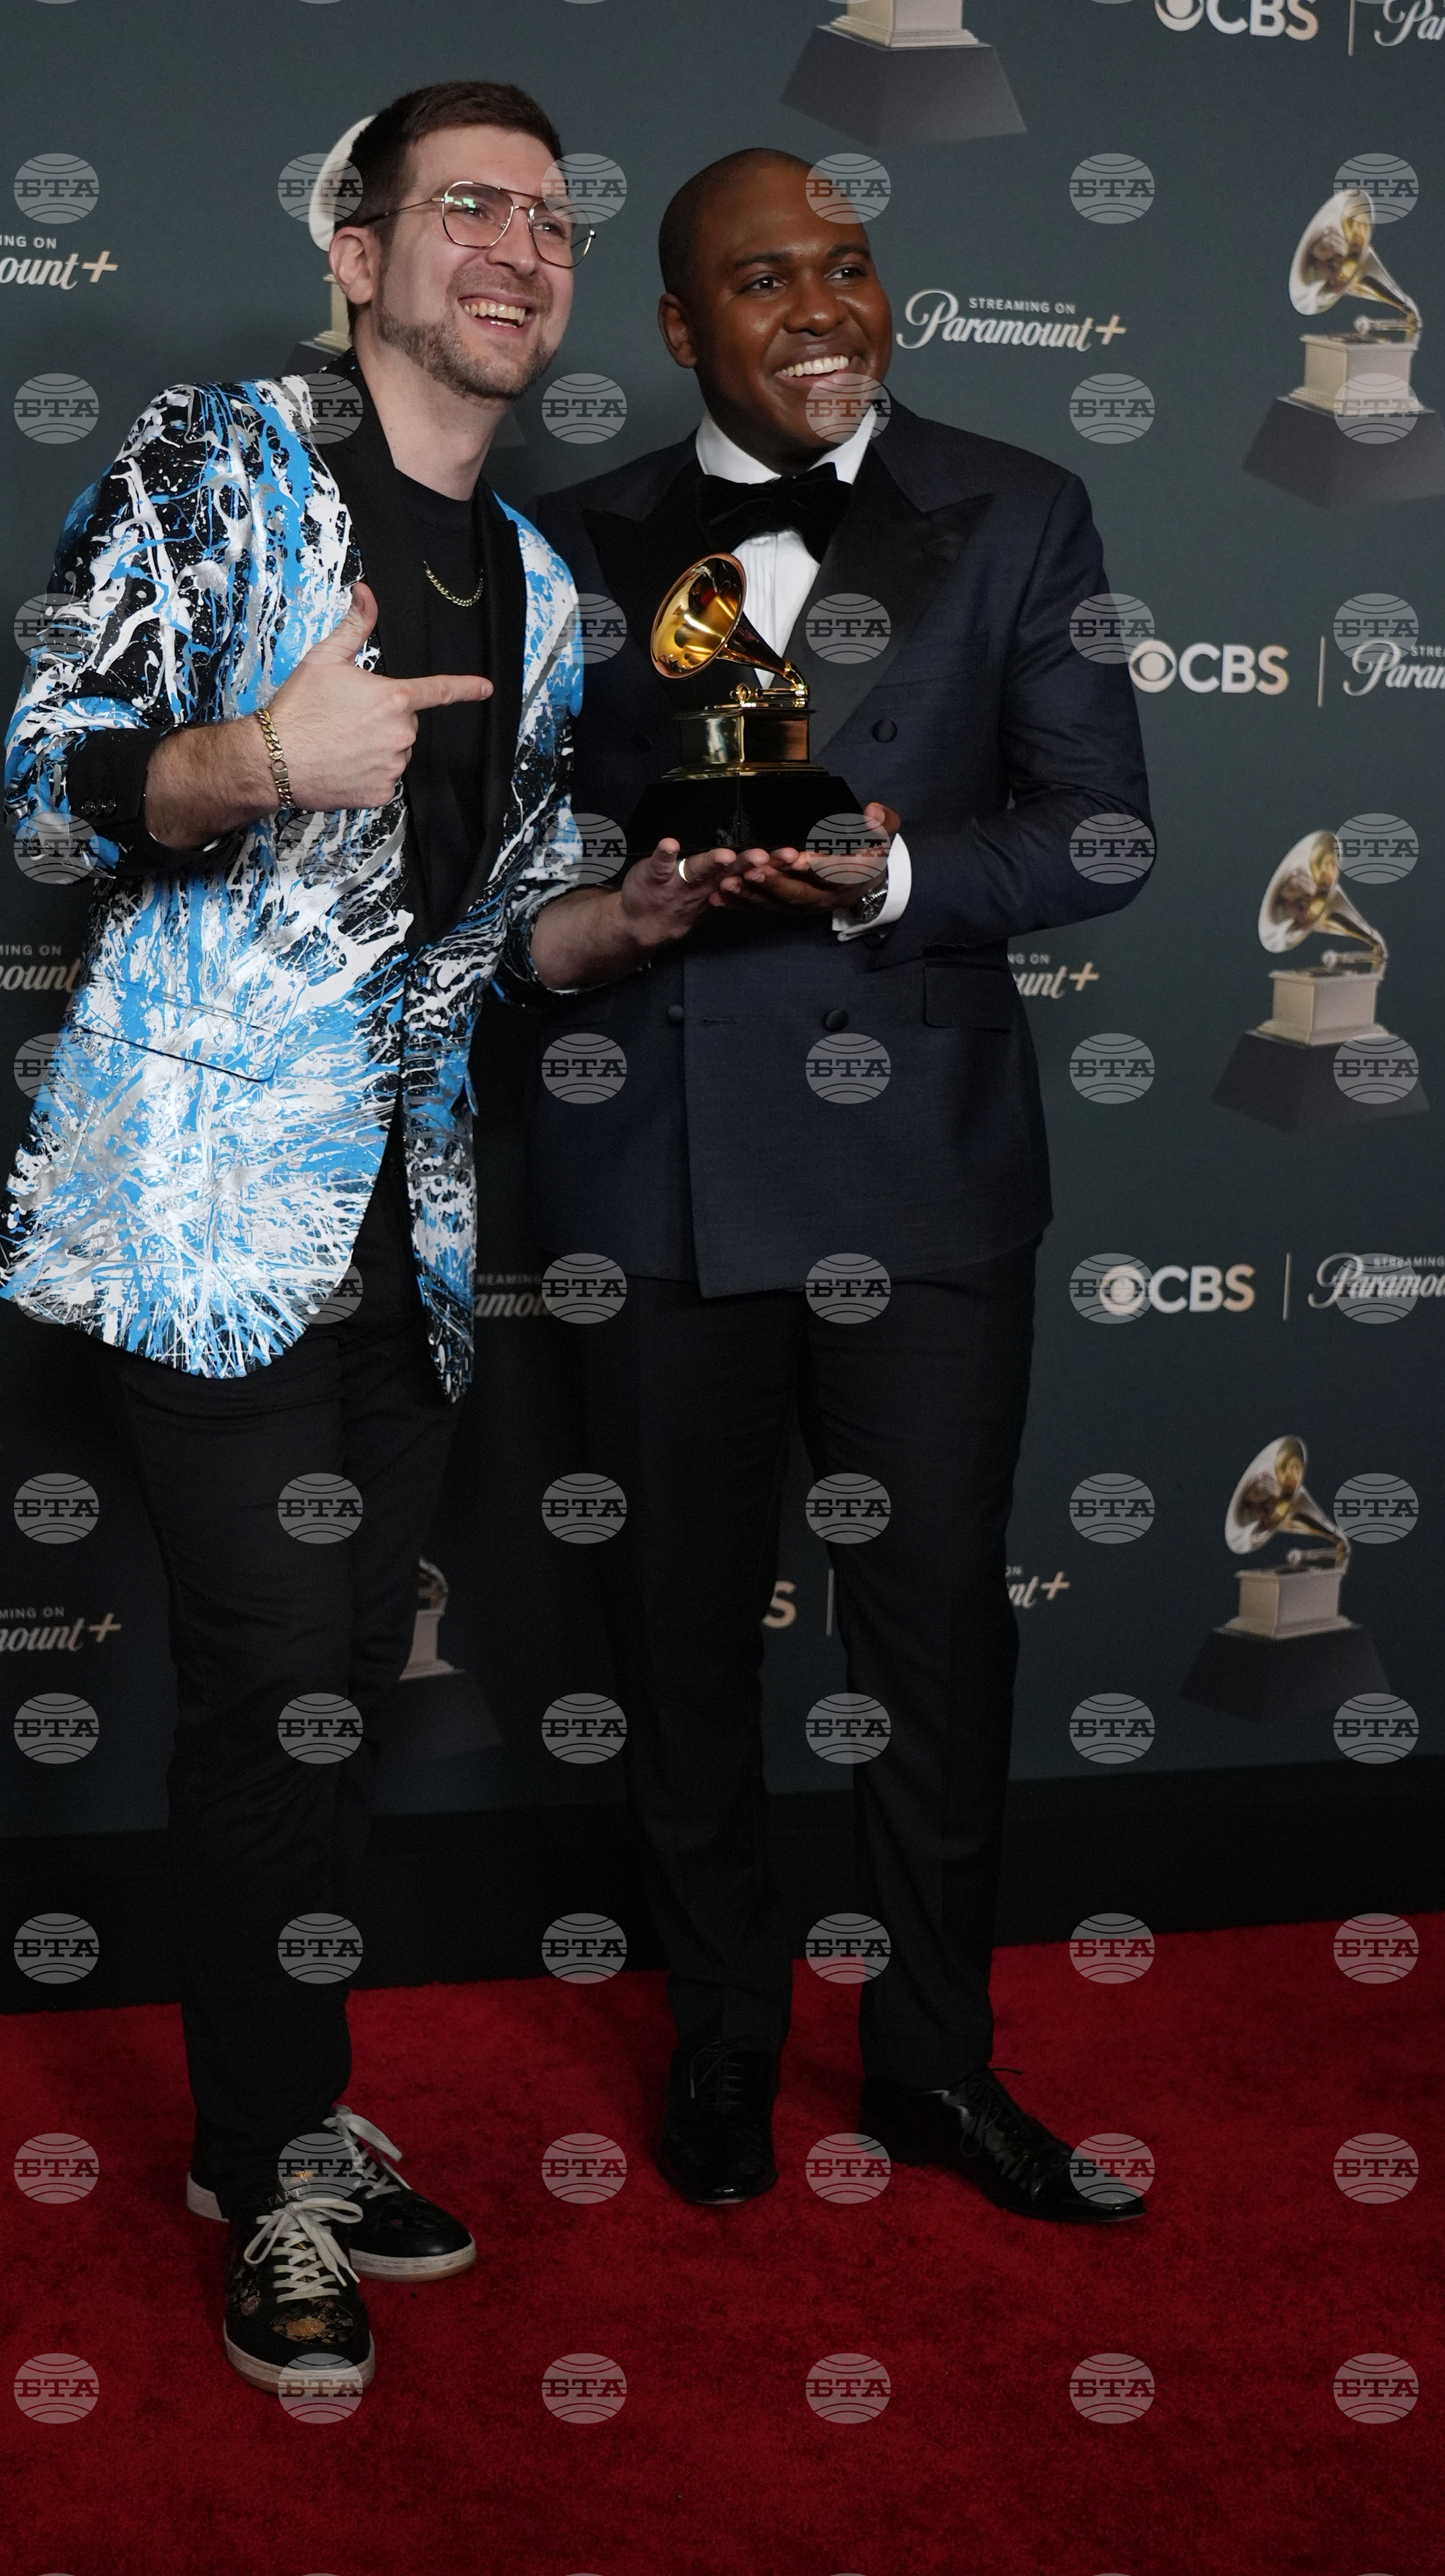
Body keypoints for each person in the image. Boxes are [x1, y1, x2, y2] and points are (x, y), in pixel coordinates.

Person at [0, 79, 736, 2399]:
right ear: (358, 250)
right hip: (202, 1207)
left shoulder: (531, 585)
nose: (518, 248)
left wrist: (622, 916)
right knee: (264, 1685)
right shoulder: (211, 468)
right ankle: (276, 2155)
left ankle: (264, 2121)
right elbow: (44, 778)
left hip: (398, 1230)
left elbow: (481, 956)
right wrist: (248, 762)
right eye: (467, 210)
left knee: (327, 1695)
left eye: (551, 220)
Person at [523, 149, 1156, 2222]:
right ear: (681, 326)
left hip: (926, 1187)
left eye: (852, 268)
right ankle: (719, 2028)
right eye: (763, 279)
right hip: (659, 1169)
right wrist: (621, 899)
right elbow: (504, 858)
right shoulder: (577, 536)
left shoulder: (1022, 508)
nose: (820, 309)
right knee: (681, 1631)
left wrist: (895, 870)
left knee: (935, 1643)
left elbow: (1098, 836)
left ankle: (931, 2060)